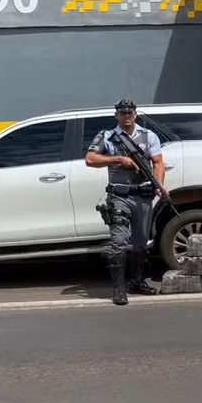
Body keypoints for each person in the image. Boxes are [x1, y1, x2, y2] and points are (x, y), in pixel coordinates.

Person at [85, 99, 165, 306]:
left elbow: (158, 162)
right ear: (116, 116)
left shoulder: (149, 136)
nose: (127, 116)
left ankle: (137, 281)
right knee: (119, 242)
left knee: (140, 242)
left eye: (130, 113)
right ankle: (119, 289)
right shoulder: (108, 137)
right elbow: (90, 159)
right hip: (120, 196)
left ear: (135, 114)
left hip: (144, 195)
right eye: (123, 113)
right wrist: (118, 160)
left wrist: (159, 185)